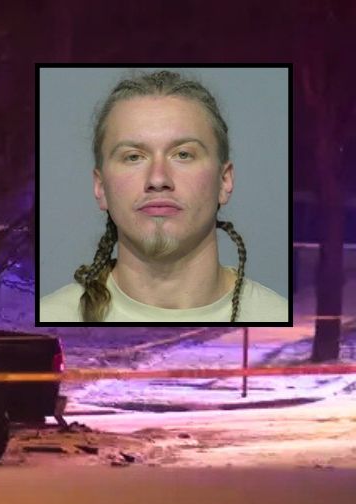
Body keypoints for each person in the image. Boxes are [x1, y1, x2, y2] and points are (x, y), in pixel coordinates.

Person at [39, 70, 288, 323]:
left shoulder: (282, 324)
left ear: (224, 181)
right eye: (133, 157)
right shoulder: (46, 325)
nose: (158, 179)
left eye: (183, 155)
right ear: (100, 187)